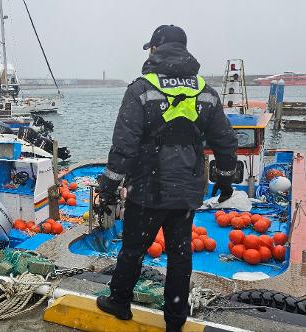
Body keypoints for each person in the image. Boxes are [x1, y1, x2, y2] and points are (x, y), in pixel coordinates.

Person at [96, 25, 238, 331]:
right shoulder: (206, 92)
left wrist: (108, 185)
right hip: (187, 191)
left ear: (156, 49)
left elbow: (124, 145)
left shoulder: (141, 89)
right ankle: (175, 321)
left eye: (151, 48)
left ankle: (119, 302)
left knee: (134, 249)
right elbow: (226, 142)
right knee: (180, 254)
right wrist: (225, 179)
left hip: (147, 190)